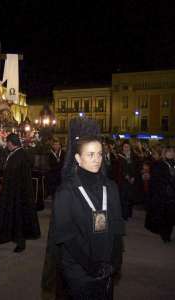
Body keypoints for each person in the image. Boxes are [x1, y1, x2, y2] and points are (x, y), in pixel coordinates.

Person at [53, 118, 125, 300]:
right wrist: (89, 265)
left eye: (100, 154)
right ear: (77, 158)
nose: (97, 160)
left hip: (106, 267)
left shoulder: (111, 187)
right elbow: (66, 236)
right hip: (78, 269)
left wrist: (115, 261)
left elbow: (117, 227)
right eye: (90, 154)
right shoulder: (66, 191)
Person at [0, 133, 41, 252]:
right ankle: (5, 236)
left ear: (11, 142)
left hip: (18, 193)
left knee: (18, 217)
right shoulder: (14, 153)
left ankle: (21, 242)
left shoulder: (21, 155)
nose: (6, 145)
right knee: (6, 214)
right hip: (9, 190)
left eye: (7, 142)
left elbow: (20, 174)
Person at [146, 147, 175, 243]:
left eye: (172, 152)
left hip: (174, 195)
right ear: (165, 153)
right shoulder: (160, 164)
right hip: (163, 195)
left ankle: (168, 233)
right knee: (164, 215)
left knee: (171, 216)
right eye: (168, 152)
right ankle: (165, 235)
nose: (170, 153)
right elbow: (156, 180)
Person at [115, 140, 138, 220]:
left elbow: (136, 168)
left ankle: (129, 213)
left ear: (130, 147)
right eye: (124, 147)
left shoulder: (134, 156)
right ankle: (124, 215)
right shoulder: (120, 156)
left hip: (132, 180)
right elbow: (120, 169)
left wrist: (133, 177)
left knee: (130, 198)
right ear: (122, 148)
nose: (126, 148)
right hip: (124, 180)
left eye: (127, 147)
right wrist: (127, 176)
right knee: (124, 198)